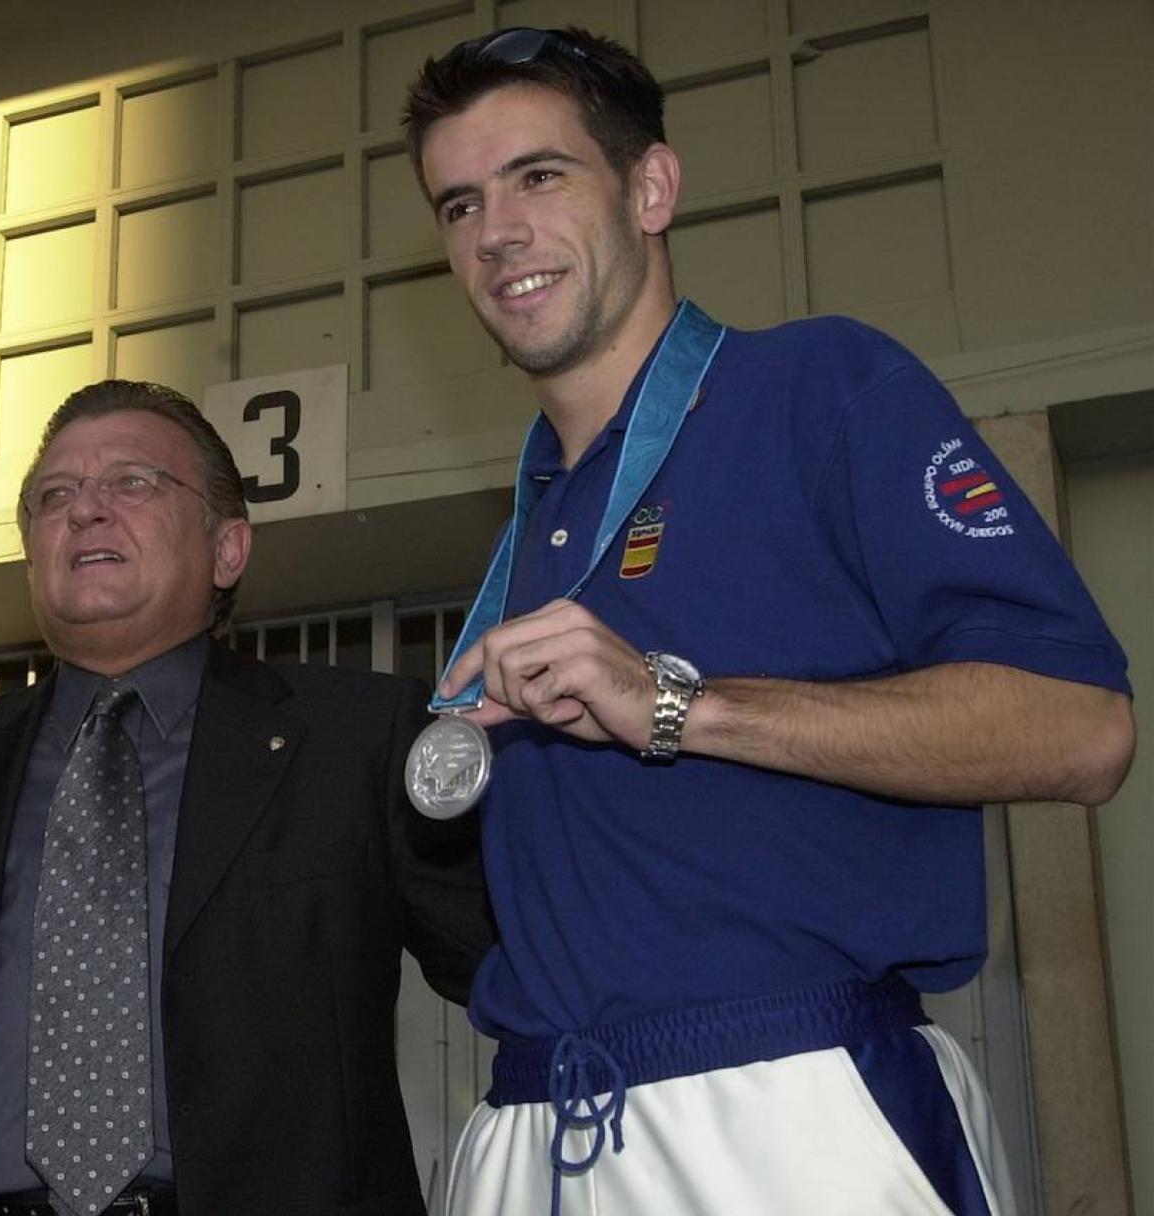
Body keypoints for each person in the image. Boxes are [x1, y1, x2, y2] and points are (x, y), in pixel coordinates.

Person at [400, 26, 1137, 1216]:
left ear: (651, 186)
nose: (497, 233)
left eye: (541, 177)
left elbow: (1081, 726)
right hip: (530, 1127)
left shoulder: (816, 387)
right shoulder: (538, 513)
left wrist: (680, 704)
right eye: (459, 204)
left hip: (786, 1114)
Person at [0, 379, 494, 1216]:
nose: (86, 510)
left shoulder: (357, 738)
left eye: (132, 483)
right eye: (54, 495)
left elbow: (517, 963)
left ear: (228, 550)